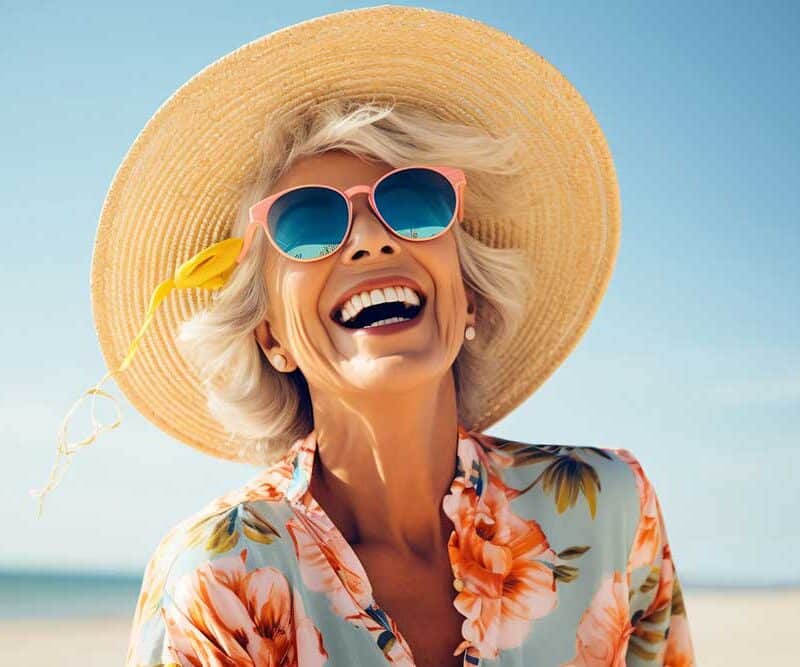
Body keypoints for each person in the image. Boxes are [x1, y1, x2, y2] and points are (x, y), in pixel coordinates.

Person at [31, 6, 696, 666]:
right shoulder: (220, 574)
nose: (373, 237)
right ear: (271, 336)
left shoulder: (612, 508)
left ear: (467, 292)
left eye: (413, 201)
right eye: (308, 220)